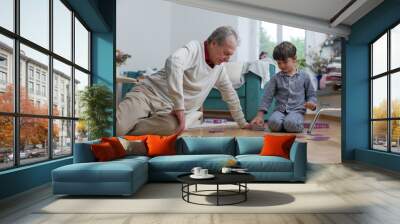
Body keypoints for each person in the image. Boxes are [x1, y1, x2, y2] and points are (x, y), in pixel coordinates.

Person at [117, 26, 250, 136]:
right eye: (226, 53)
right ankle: (125, 127)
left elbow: (230, 95)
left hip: (167, 112)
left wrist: (243, 123)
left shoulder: (220, 69)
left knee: (175, 128)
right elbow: (173, 61)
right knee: (117, 128)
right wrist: (180, 108)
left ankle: (129, 128)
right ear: (213, 43)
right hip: (148, 94)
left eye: (230, 55)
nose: (228, 59)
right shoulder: (195, 48)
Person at [250, 41, 317, 133]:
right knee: (273, 123)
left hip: (296, 111)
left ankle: (291, 124)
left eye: (285, 62)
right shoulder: (276, 78)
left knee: (290, 122)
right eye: (279, 63)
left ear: (294, 59)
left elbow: (311, 95)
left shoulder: (304, 76)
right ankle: (286, 125)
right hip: (280, 111)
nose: (282, 66)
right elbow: (267, 97)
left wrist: (312, 103)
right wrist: (260, 115)